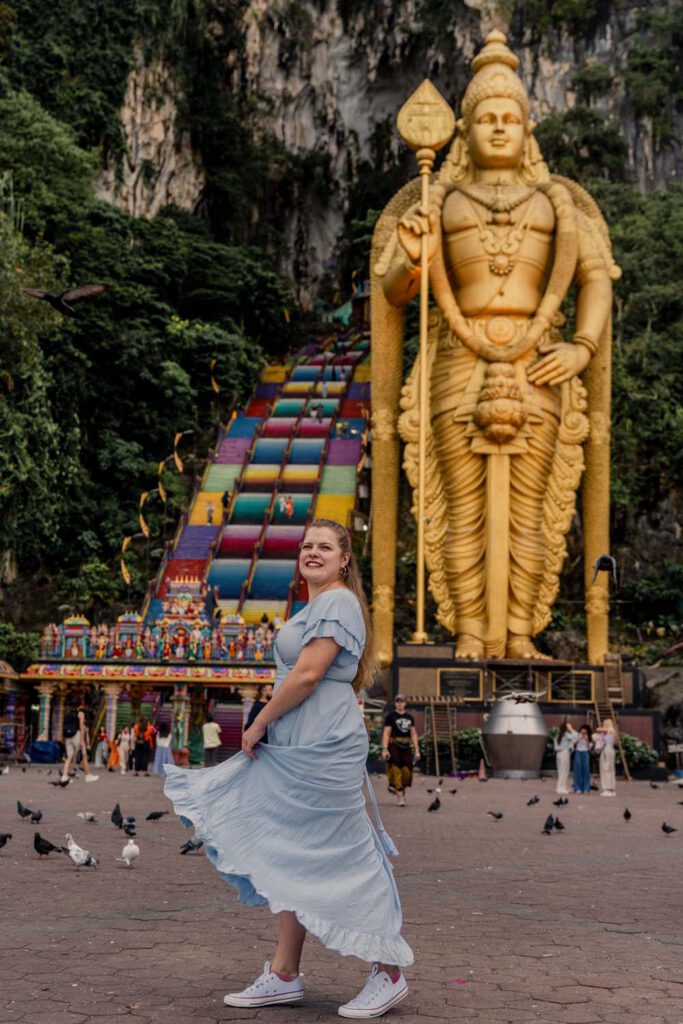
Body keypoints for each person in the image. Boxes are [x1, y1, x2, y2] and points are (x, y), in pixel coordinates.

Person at [372, 30, 618, 663]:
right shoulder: (440, 199)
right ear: (464, 130)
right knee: (461, 508)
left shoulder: (557, 203)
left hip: (541, 362)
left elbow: (596, 277)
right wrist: (414, 255)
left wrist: (582, 347)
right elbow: (394, 290)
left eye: (511, 118)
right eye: (487, 118)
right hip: (459, 359)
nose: (500, 128)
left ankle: (519, 634)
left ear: (528, 129)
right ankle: (469, 633)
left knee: (531, 510)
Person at [164, 518, 413, 1018]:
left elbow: (308, 673)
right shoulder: (316, 605)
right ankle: (283, 973)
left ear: (344, 559)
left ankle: (388, 971)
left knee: (345, 850)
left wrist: (259, 720)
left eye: (325, 547)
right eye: (306, 546)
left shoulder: (339, 602)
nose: (312, 552)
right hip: (299, 737)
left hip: (323, 740)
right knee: (290, 851)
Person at [381, 695, 420, 806]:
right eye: (397, 701)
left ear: (405, 703)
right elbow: (386, 733)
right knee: (396, 768)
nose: (399, 703)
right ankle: (400, 795)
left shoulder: (409, 717)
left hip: (407, 746)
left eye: (402, 701)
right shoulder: (391, 716)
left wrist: (417, 749)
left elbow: (413, 733)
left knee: (407, 771)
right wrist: (385, 749)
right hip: (394, 745)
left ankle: (398, 789)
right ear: (395, 703)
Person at [61, 702, 98, 783]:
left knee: (69, 757)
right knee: (84, 755)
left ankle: (64, 776)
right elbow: (81, 726)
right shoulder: (81, 713)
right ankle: (88, 775)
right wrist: (82, 740)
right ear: (80, 705)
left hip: (68, 737)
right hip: (77, 735)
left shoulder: (69, 713)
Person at [553, 721, 577, 795]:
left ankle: (561, 787)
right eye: (569, 726)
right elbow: (576, 735)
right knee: (564, 771)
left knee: (561, 771)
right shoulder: (566, 734)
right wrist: (571, 729)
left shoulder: (559, 735)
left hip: (559, 753)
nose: (570, 727)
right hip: (564, 752)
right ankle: (561, 788)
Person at [595, 719, 617, 796]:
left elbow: (598, 729)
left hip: (606, 749)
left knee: (605, 769)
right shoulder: (612, 731)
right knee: (610, 769)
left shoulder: (609, 729)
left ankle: (607, 789)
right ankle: (611, 789)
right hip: (610, 749)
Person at [572, 724, 593, 795]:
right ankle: (577, 788)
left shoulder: (589, 738)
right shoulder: (577, 736)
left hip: (585, 753)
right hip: (578, 752)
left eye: (585, 733)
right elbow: (573, 744)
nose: (583, 734)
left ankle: (586, 788)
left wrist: (587, 740)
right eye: (582, 732)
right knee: (577, 769)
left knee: (586, 770)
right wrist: (578, 738)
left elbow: (588, 748)